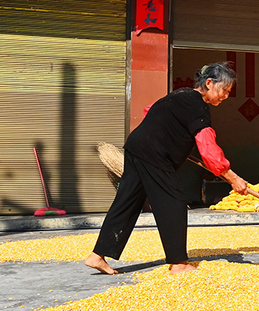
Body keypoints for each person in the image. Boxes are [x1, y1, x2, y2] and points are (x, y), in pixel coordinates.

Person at [85, 63, 248, 275]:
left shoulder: (180, 94)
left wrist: (171, 136)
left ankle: (97, 256)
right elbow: (209, 151)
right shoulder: (198, 107)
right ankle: (179, 263)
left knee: (127, 202)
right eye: (224, 91)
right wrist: (233, 178)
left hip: (136, 147)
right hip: (153, 155)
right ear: (209, 83)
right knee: (174, 202)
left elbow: (149, 111)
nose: (226, 96)